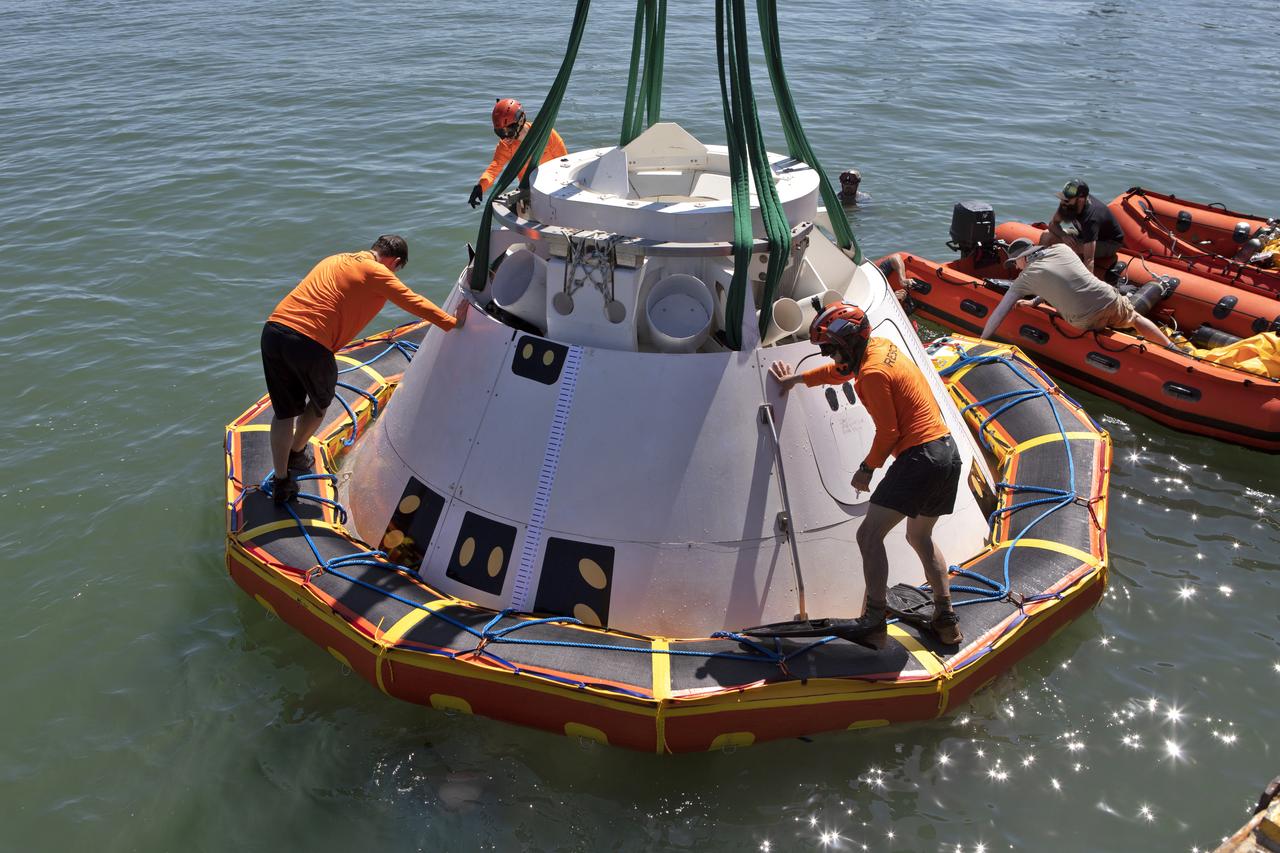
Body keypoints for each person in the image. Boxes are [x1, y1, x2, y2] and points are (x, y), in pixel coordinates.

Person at [769, 304, 964, 646]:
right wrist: (797, 380)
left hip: (920, 457)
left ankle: (874, 620)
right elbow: (841, 372)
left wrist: (866, 469)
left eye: (831, 348)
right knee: (919, 537)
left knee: (869, 536)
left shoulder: (873, 374)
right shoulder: (881, 348)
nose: (829, 355)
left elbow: (889, 433)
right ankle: (946, 620)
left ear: (849, 343)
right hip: (947, 454)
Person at [260, 235, 467, 504]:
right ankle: (297, 453)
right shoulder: (377, 271)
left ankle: (281, 480)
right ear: (395, 262)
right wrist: (453, 322)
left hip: (274, 332)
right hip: (310, 342)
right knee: (321, 403)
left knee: (284, 413)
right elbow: (412, 301)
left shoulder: (335, 259)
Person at [981, 238, 1173, 347]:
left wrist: (982, 341)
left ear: (1023, 258)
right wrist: (1034, 302)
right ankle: (1170, 347)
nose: (1016, 267)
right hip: (1108, 299)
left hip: (1085, 320)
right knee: (1135, 318)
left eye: (1015, 262)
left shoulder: (1024, 279)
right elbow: (1065, 280)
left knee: (1074, 310)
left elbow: (999, 312)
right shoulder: (1061, 248)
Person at [468, 98, 568, 208]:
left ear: (520, 121)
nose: (505, 137)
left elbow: (565, 162)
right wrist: (480, 186)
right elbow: (494, 168)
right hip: (529, 192)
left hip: (555, 189)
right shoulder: (506, 145)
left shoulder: (546, 134)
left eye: (508, 131)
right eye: (500, 133)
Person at [1040, 178, 1126, 274]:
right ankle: (1039, 268)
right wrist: (1063, 235)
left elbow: (1089, 259)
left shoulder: (1091, 217)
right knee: (1046, 235)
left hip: (1109, 242)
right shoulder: (1066, 205)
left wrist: (1087, 282)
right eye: (1062, 199)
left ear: (1080, 200)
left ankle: (1069, 272)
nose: (1063, 202)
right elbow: (1053, 224)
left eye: (1067, 200)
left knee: (1074, 247)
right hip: (1083, 233)